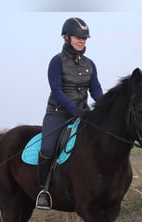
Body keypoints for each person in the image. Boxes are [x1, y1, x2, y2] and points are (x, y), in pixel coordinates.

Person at [36, 17, 104, 209]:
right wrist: (75, 110)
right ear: (66, 37)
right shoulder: (56, 62)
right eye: (78, 37)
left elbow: (96, 91)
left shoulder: (90, 64)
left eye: (85, 38)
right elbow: (57, 91)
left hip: (83, 113)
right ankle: (43, 190)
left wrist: (106, 108)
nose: (82, 41)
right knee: (48, 149)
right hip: (57, 113)